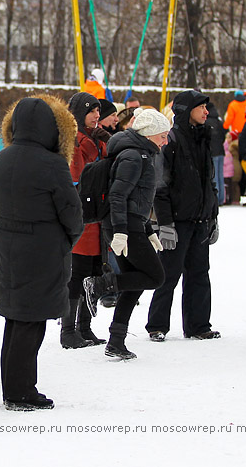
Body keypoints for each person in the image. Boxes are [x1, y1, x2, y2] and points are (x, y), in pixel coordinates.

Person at [0, 95, 83, 411]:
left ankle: (13, 388)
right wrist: (65, 239)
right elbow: (71, 211)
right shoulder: (52, 163)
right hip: (41, 248)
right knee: (31, 324)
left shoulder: (3, 157)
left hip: (6, 245)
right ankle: (21, 392)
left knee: (16, 320)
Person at [84, 109, 171, 359]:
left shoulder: (142, 154)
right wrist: (121, 232)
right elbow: (118, 195)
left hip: (131, 225)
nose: (165, 141)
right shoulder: (134, 156)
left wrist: (147, 230)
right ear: (150, 134)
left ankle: (116, 341)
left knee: (136, 281)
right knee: (155, 277)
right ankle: (99, 284)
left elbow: (136, 200)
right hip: (124, 226)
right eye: (163, 136)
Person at [146, 90, 220, 341]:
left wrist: (213, 216)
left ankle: (199, 325)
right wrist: (165, 224)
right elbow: (160, 186)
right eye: (202, 108)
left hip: (200, 219)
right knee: (168, 274)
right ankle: (157, 325)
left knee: (200, 274)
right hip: (177, 221)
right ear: (188, 110)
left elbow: (209, 181)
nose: (206, 112)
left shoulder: (204, 137)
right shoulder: (172, 142)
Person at [61, 91, 107, 349]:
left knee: (93, 273)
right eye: (92, 111)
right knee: (77, 275)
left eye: (98, 111)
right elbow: (76, 178)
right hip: (83, 216)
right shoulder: (75, 143)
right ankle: (68, 330)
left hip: (96, 217)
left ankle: (85, 327)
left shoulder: (97, 141)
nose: (96, 116)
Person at [206, 102, 227, 205]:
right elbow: (223, 136)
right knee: (220, 175)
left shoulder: (207, 122)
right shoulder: (218, 121)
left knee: (214, 176)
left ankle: (216, 197)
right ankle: (221, 197)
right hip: (220, 151)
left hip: (212, 151)